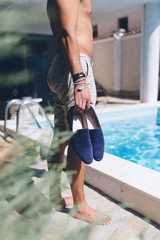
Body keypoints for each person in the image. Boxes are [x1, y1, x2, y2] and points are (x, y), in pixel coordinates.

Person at [46, 0, 111, 225]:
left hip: (66, 67)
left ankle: (55, 197)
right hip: (74, 69)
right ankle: (80, 206)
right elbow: (67, 31)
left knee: (61, 138)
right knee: (79, 139)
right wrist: (80, 79)